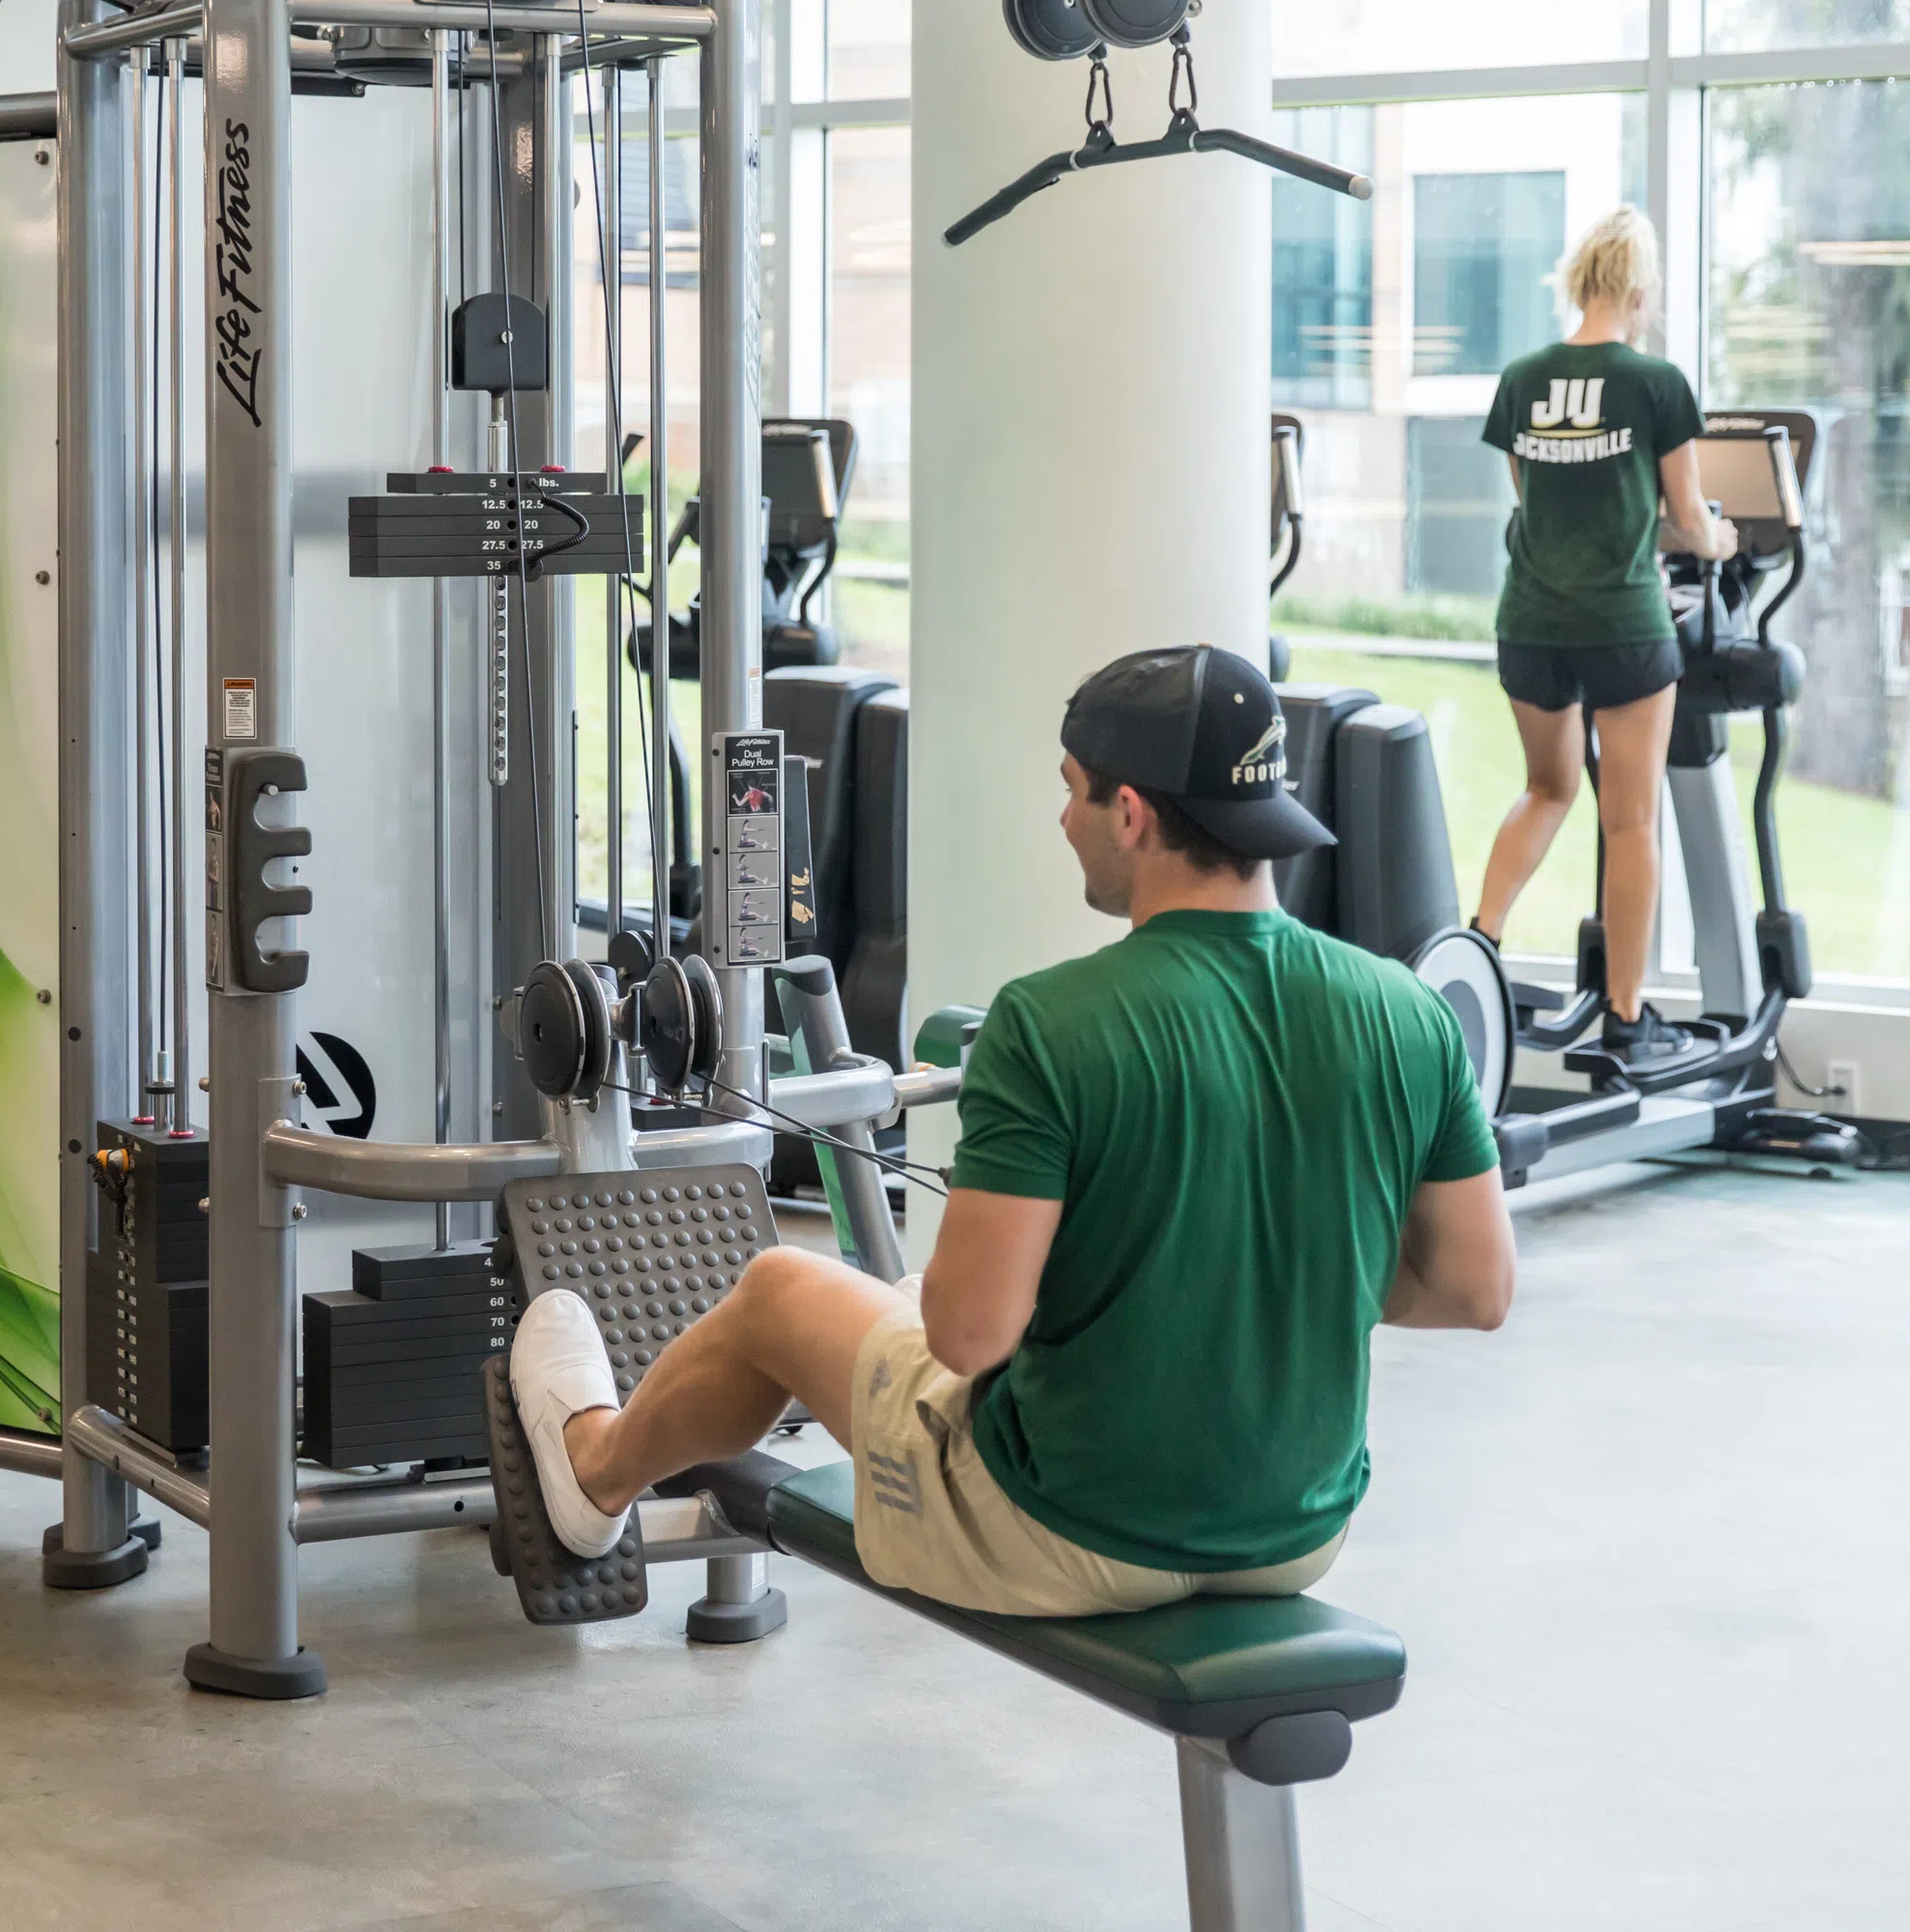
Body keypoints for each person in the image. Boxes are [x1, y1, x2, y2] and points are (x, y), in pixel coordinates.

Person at [507, 645, 1518, 1618]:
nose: (1063, 816)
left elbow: (970, 1335)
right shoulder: (1406, 1011)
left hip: (1065, 1530)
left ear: (1131, 813)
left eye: (1073, 788)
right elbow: (1477, 1289)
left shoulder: (1049, 1021)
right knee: (902, 1301)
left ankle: (594, 1472)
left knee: (781, 1290)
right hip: (1295, 1536)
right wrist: (1243, 1279)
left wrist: (1148, 1277)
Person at [1474, 205, 1742, 1067]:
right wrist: (1720, 540)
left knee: (1546, 791)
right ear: (1637, 288)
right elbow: (1686, 516)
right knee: (1629, 822)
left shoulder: (1521, 378)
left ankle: (1476, 947)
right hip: (1625, 629)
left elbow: (1533, 501)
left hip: (1531, 624)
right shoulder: (1656, 384)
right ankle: (1628, 1016)